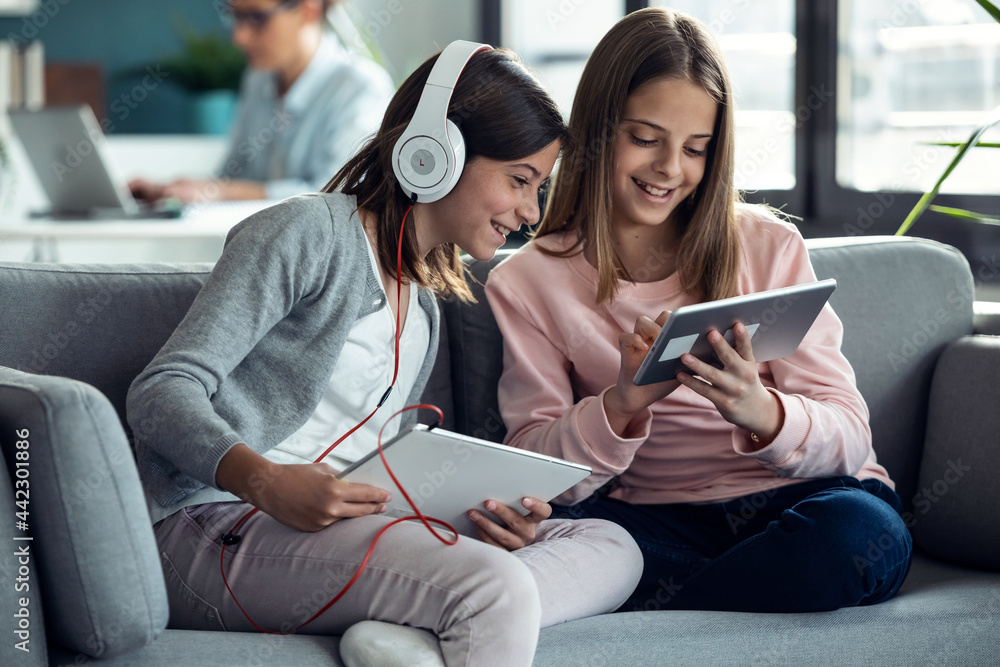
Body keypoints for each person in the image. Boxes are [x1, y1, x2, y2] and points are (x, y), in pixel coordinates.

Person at [126, 43, 642, 667]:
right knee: (492, 584)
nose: (531, 212)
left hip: (334, 534)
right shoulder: (307, 233)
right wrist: (267, 483)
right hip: (214, 533)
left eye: (539, 188)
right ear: (437, 153)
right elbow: (160, 391)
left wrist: (480, 519)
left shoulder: (423, 305)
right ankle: (471, 601)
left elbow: (377, 473)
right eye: (519, 181)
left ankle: (419, 633)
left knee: (611, 546)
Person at [485, 7, 912, 614]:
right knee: (588, 544)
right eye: (644, 139)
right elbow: (533, 469)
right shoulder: (528, 281)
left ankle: (651, 596)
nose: (670, 169)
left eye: (696, 149)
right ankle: (692, 585)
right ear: (598, 130)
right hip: (652, 522)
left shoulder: (768, 246)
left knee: (851, 538)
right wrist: (622, 404)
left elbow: (849, 436)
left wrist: (762, 411)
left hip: (803, 501)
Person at [129, 0, 394, 203]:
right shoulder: (257, 80)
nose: (239, 37)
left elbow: (335, 195)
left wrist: (221, 193)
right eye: (235, 16)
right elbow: (233, 175)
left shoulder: (362, 88)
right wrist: (175, 190)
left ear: (308, 10)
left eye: (256, 17)